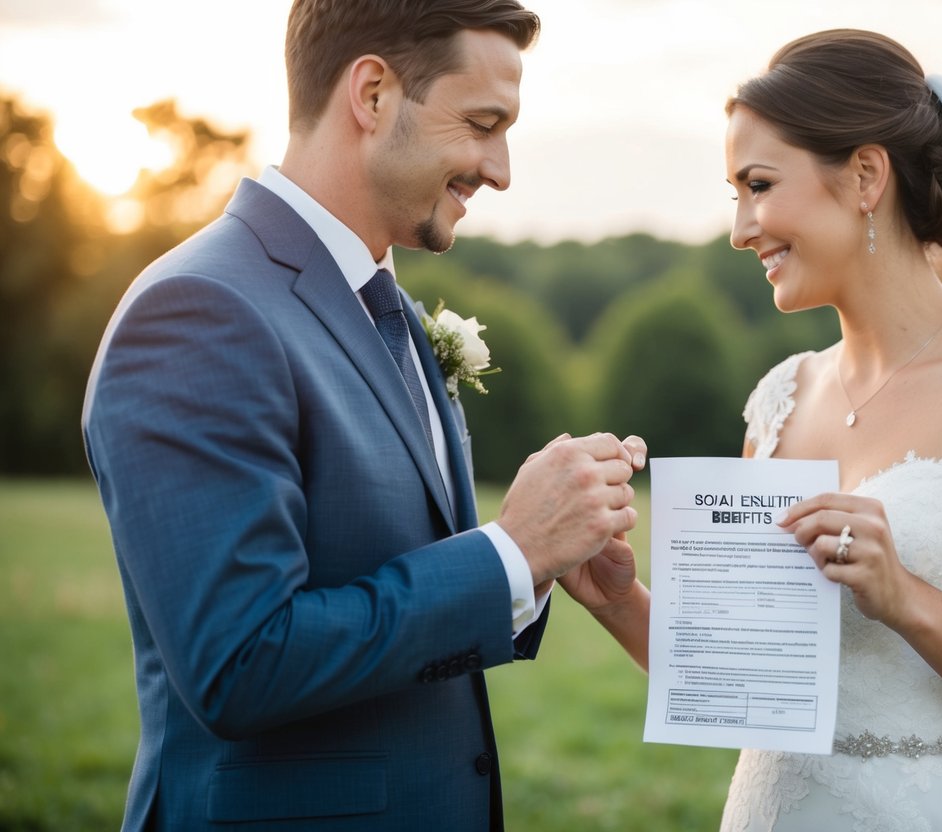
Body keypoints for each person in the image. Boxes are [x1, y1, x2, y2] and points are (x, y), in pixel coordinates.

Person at [560, 29, 942, 831]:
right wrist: (618, 602)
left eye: (757, 184)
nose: (740, 228)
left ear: (864, 176)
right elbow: (749, 682)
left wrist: (904, 599)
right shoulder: (778, 399)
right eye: (735, 194)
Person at [81, 1, 646, 829]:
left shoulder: (392, 311)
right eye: (482, 124)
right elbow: (240, 663)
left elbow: (385, 565)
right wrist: (508, 550)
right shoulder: (200, 310)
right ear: (373, 94)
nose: (500, 169)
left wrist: (536, 564)